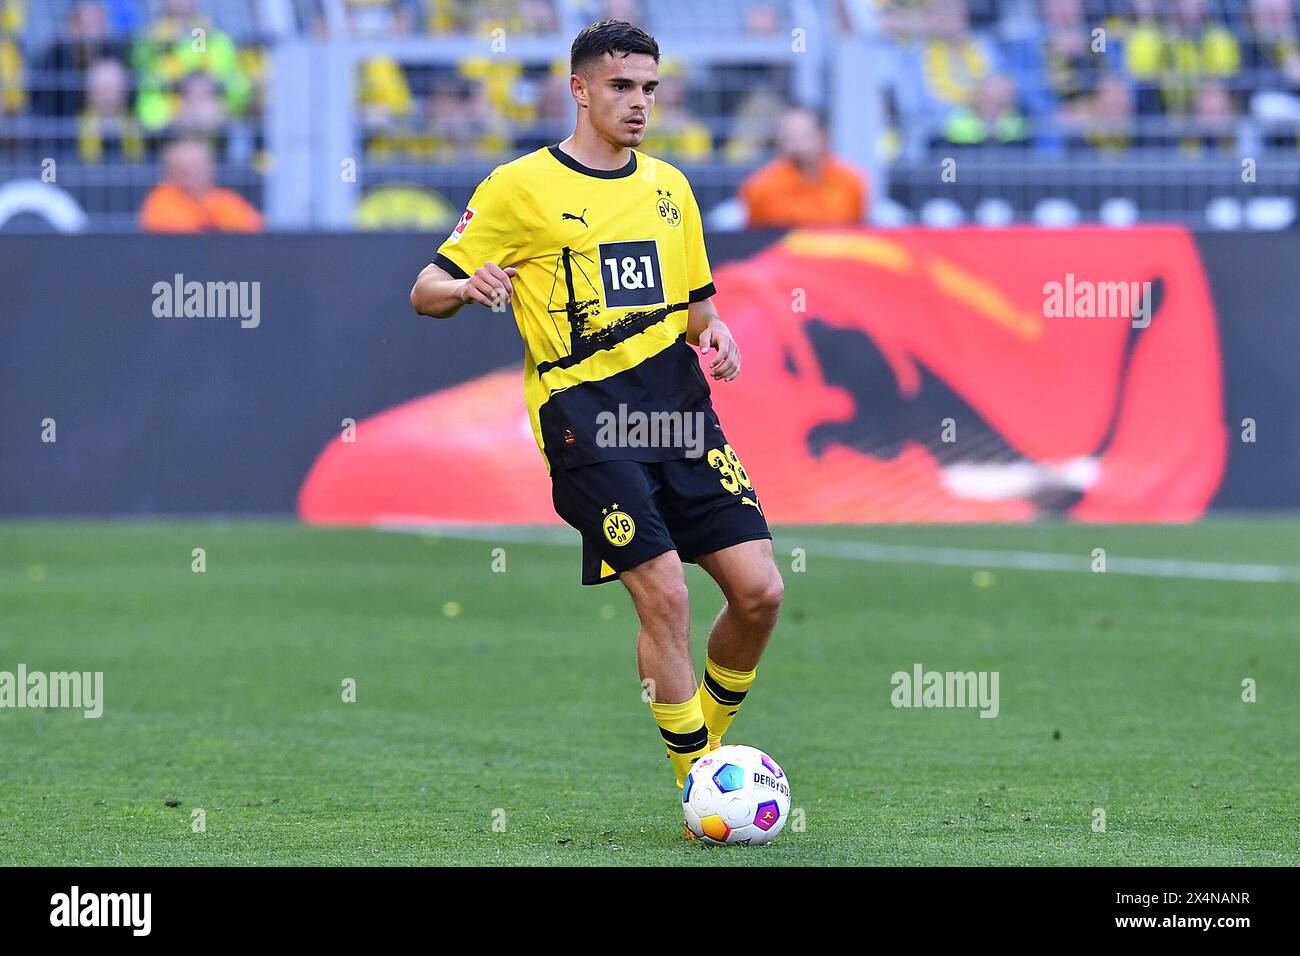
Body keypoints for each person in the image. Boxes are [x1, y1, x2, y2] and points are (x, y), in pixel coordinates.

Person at [409, 19, 783, 832]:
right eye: (621, 86)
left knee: (760, 595)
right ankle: (699, 789)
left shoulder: (671, 188)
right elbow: (423, 290)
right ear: (579, 89)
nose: (639, 102)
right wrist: (467, 285)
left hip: (681, 414)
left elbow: (698, 311)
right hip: (585, 418)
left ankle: (707, 759)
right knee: (667, 594)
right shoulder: (520, 187)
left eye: (650, 87)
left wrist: (716, 334)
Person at [739, 106, 867, 226]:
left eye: (801, 132)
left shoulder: (850, 181)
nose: (793, 139)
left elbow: (858, 233)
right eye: (787, 133)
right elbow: (754, 239)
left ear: (822, 135)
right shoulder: (761, 186)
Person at [138, 138, 262, 232]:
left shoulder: (225, 199)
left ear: (210, 168)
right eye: (183, 168)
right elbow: (183, 236)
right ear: (169, 172)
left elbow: (250, 228)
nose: (191, 173)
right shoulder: (161, 200)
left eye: (197, 166)